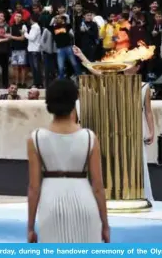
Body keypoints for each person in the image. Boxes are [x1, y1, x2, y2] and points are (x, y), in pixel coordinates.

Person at [27, 79, 109, 243]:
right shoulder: (89, 137)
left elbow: (34, 188)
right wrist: (105, 225)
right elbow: (98, 186)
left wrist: (30, 227)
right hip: (85, 203)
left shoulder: (35, 138)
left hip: (50, 205)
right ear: (74, 101)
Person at [72, 45, 155, 205]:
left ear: (137, 67)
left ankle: (141, 195)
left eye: (131, 63)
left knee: (137, 162)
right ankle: (121, 194)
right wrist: (82, 56)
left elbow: (148, 112)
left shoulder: (144, 87)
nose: (127, 66)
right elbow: (98, 72)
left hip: (136, 129)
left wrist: (152, 131)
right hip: (118, 130)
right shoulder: (115, 82)